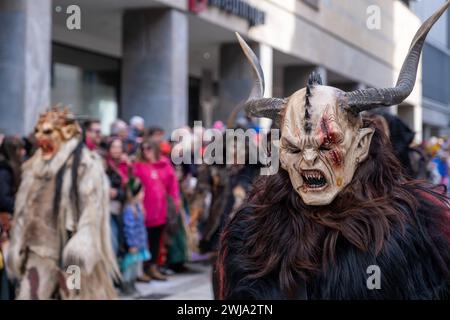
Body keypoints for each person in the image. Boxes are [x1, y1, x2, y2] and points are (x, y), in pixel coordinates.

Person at [219, 5, 450, 300]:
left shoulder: (412, 231)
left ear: (361, 145)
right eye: (294, 147)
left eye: (327, 145)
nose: (308, 160)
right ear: (280, 150)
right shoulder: (250, 233)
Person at [7, 107, 119, 299]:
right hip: (38, 249)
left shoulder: (86, 164)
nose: (40, 136)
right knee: (30, 295)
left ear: (65, 132)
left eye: (48, 131)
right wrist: (18, 239)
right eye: (38, 131)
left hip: (71, 256)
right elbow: (24, 207)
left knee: (74, 295)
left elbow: (92, 211)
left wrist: (82, 244)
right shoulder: (35, 166)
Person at [134, 138, 180, 281]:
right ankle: (142, 269)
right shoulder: (138, 166)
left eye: (148, 148)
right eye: (143, 148)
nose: (145, 151)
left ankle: (153, 266)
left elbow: (173, 186)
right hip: (144, 210)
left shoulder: (165, 165)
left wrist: (175, 202)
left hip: (160, 210)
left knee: (156, 240)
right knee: (143, 239)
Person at [0, 136, 24, 300]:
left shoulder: (12, 169)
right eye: (18, 149)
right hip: (6, 224)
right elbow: (3, 199)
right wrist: (21, 205)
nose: (22, 152)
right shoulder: (4, 171)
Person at [120, 178, 151, 295]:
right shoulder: (129, 209)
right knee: (129, 266)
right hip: (133, 245)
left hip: (139, 243)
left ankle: (132, 284)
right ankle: (126, 285)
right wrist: (132, 244)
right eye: (142, 192)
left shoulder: (138, 207)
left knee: (136, 266)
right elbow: (129, 229)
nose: (143, 195)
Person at [105, 138, 128, 257]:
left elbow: (130, 190)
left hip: (122, 208)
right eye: (113, 147)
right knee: (112, 239)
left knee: (120, 239)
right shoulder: (104, 166)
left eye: (119, 147)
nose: (116, 150)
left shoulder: (126, 166)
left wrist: (118, 193)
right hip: (107, 209)